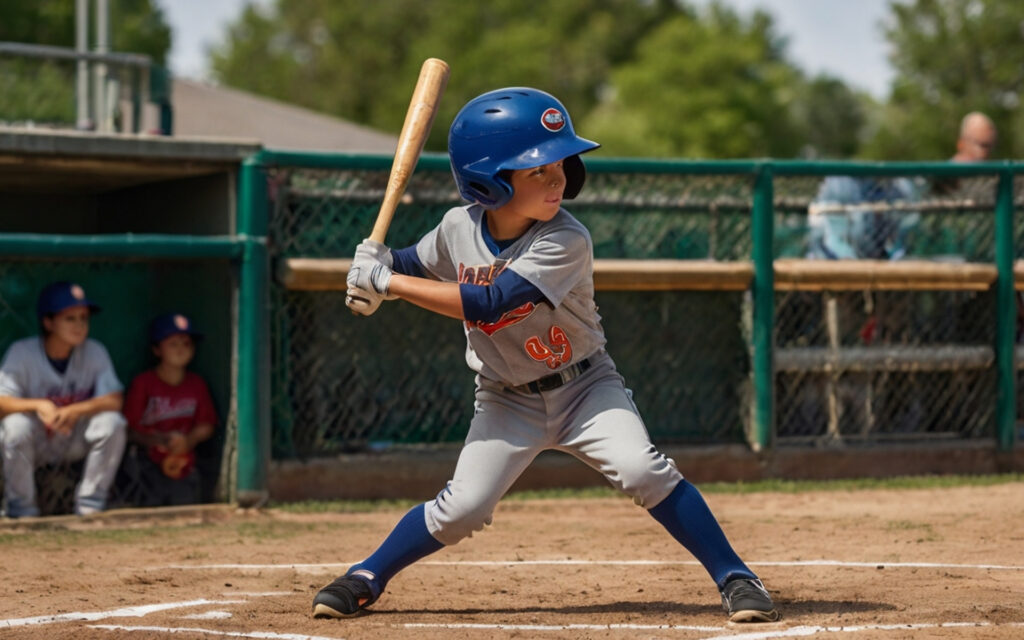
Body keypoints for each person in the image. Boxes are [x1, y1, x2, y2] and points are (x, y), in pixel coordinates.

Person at [311, 87, 780, 623]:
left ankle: (736, 576)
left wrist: (387, 283)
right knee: (464, 508)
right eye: (536, 169)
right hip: (505, 398)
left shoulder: (566, 238)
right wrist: (375, 263)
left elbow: (490, 303)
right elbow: (411, 264)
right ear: (489, 180)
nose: (558, 177)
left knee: (643, 469)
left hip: (585, 388)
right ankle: (366, 575)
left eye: (559, 163)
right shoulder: (456, 228)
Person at [0, 281, 127, 517]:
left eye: (83, 318)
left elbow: (114, 400)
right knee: (15, 426)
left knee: (112, 422)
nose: (79, 325)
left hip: (72, 437)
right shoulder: (22, 352)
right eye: (70, 318)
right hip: (35, 440)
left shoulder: (94, 351)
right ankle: (22, 511)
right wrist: (38, 404)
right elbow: (2, 401)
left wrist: (75, 410)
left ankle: (90, 507)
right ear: (48, 322)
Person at [121, 313, 217, 507]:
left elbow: (206, 425)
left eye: (186, 344)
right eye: (173, 344)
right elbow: (128, 430)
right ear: (157, 349)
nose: (181, 349)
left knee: (186, 494)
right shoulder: (144, 382)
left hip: (182, 455)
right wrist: (158, 440)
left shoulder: (196, 384)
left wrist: (188, 441)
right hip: (146, 456)